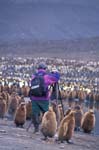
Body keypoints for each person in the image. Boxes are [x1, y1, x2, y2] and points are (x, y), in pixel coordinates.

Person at [29, 62, 60, 133]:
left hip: (34, 98)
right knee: (46, 113)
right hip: (44, 98)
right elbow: (56, 78)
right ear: (45, 69)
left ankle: (36, 128)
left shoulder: (34, 76)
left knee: (35, 113)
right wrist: (55, 72)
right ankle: (46, 128)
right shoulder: (46, 76)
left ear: (38, 69)